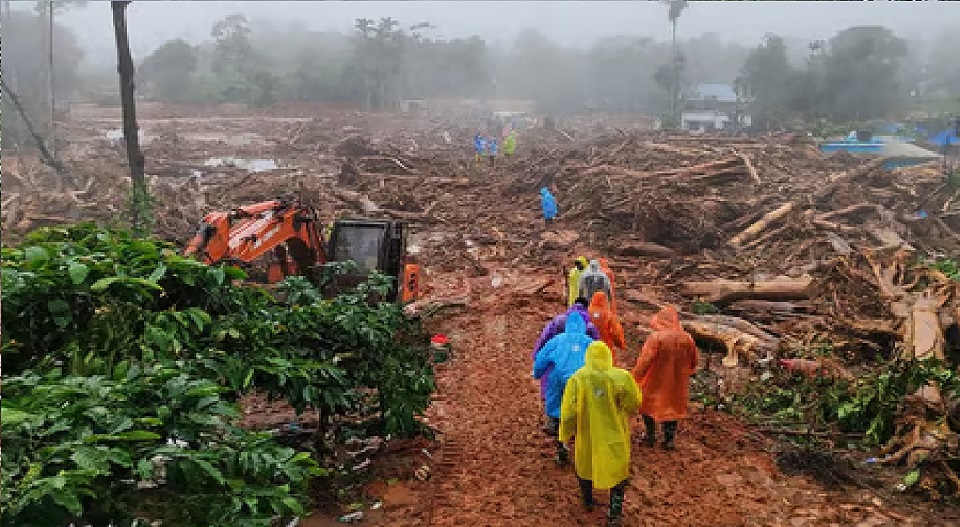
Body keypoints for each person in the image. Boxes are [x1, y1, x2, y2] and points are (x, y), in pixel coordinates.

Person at [559, 340, 641, 527]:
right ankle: (614, 513)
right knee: (618, 473)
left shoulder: (578, 378)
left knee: (585, 467)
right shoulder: (622, 377)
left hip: (587, 436)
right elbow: (633, 403)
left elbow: (569, 412)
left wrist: (565, 434)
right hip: (614, 435)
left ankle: (588, 501)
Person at [632, 306, 699, 450]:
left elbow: (645, 361)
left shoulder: (656, 338)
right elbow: (694, 360)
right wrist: (688, 371)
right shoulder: (687, 338)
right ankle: (669, 439)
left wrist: (635, 378)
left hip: (655, 378)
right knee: (673, 407)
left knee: (647, 404)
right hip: (677, 381)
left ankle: (650, 435)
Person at [533, 311, 594, 465]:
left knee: (557, 407)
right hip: (583, 380)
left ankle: (560, 440)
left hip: (559, 380)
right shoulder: (589, 342)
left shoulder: (557, 340)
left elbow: (542, 358)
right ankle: (583, 449)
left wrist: (537, 373)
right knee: (582, 414)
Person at [532, 297, 601, 408]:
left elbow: (544, 339)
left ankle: (555, 421)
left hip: (555, 367)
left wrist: (536, 359)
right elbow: (599, 350)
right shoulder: (590, 327)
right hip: (582, 372)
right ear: (587, 308)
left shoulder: (559, 322)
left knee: (555, 400)